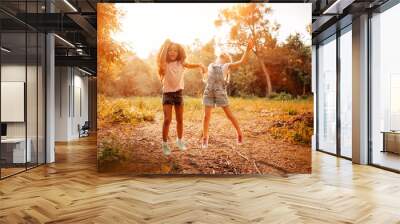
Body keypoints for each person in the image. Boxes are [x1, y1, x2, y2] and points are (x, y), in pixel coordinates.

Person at [201, 39, 254, 149]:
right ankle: (205, 138)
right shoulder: (210, 65)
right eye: (221, 56)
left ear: (226, 60)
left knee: (229, 115)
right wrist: (202, 71)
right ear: (218, 58)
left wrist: (247, 50)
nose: (222, 57)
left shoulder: (226, 66)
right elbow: (206, 77)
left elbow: (241, 62)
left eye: (224, 57)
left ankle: (239, 133)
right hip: (209, 92)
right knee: (206, 116)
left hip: (220, 93)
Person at [157, 39, 206, 155]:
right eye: (170, 50)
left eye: (175, 50)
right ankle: (164, 144)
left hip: (178, 93)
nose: (172, 52)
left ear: (179, 53)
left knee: (180, 120)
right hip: (167, 94)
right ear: (167, 52)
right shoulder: (165, 64)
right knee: (167, 120)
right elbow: (161, 58)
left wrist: (200, 65)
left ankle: (179, 141)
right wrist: (166, 45)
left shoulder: (181, 63)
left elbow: (190, 64)